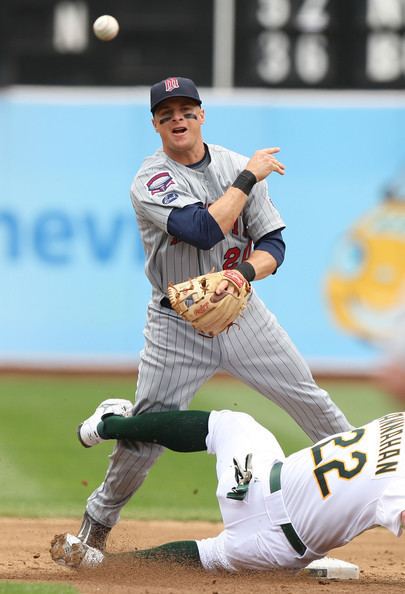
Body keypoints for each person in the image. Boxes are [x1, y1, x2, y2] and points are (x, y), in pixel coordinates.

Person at [74, 76, 352, 551]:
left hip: (242, 312)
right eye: (167, 114)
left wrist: (243, 274)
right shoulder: (152, 178)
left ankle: (385, 485)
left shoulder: (230, 162)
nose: (177, 119)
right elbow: (201, 229)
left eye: (186, 110)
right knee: (147, 435)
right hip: (175, 322)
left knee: (311, 402)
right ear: (155, 125)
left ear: (201, 115)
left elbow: (273, 244)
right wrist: (247, 178)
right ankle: (96, 523)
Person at [51, 399, 405, 572]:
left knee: (229, 425)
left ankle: (106, 425)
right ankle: (102, 566)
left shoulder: (398, 421)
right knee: (215, 555)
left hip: (253, 482)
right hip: (275, 548)